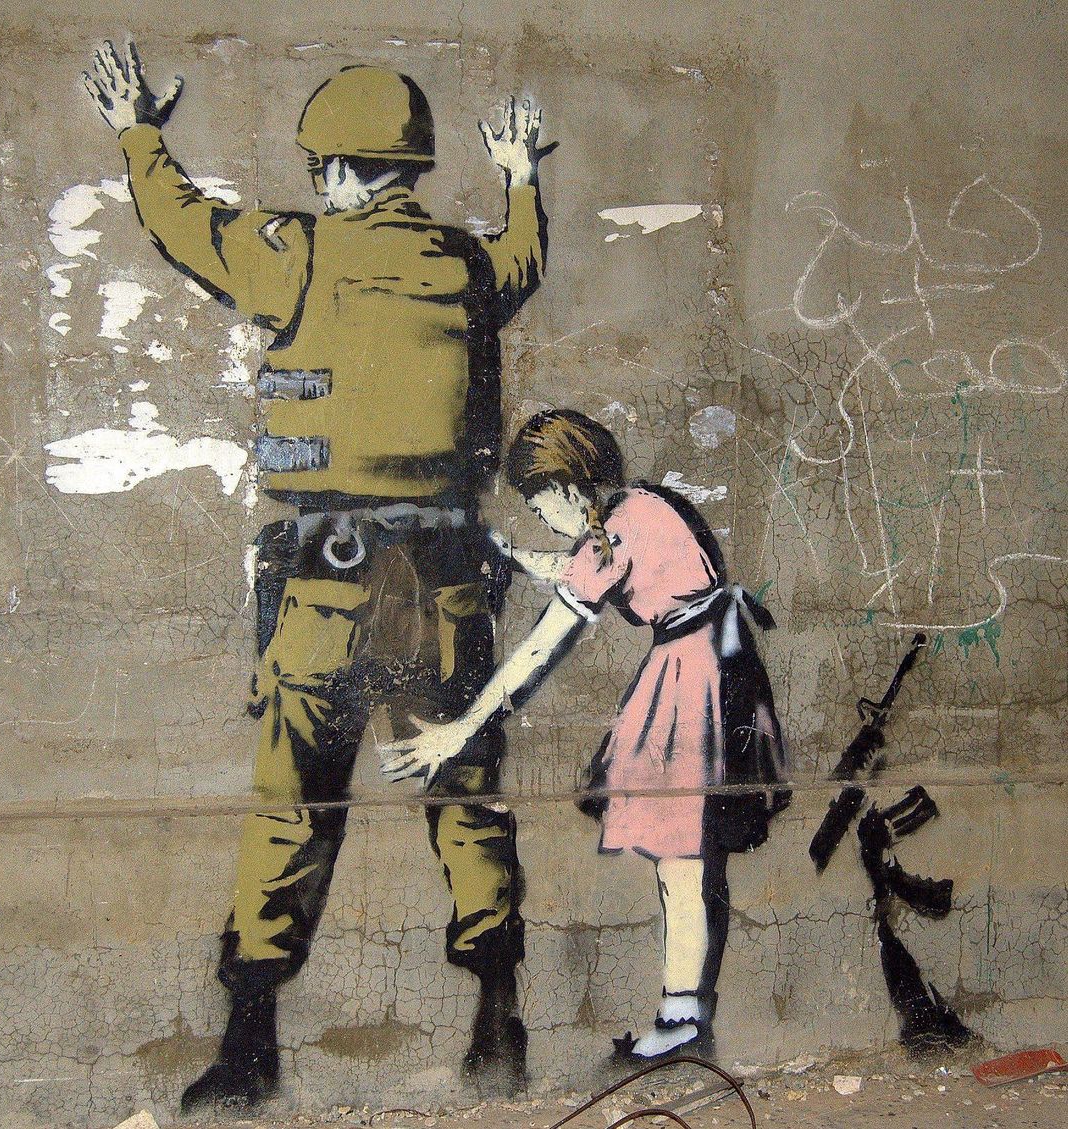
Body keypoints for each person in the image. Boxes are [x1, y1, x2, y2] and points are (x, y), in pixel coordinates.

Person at [83, 40, 551, 1108]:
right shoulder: (466, 268)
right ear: (412, 168)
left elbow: (184, 227)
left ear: (337, 168)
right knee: (466, 798)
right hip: (444, 585)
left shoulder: (296, 255)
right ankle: (498, 1024)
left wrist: (138, 132)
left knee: (290, 807)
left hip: (331, 586)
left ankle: (249, 1043)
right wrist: (522, 177)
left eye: (319, 169)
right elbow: (523, 258)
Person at [382, 410, 791, 1060]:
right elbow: (583, 565)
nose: (540, 517)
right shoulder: (640, 507)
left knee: (682, 859)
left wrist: (460, 729)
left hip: (692, 677)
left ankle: (682, 1016)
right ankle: (684, 1009)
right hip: (717, 661)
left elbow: (539, 648)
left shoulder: (610, 538)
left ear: (568, 489)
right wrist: (515, 557)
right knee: (688, 855)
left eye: (539, 504)